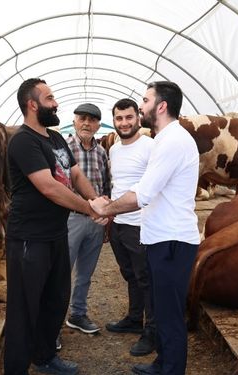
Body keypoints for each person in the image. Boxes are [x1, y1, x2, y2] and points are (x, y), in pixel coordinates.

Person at [90, 81, 200, 375]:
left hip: (173, 240)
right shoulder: (166, 139)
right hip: (161, 237)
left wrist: (107, 209)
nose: (141, 106)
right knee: (163, 309)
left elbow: (143, 193)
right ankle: (162, 363)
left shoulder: (172, 141)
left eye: (146, 100)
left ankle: (171, 369)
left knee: (171, 313)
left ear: (161, 106)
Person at [4, 78, 107, 375]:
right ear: (32, 104)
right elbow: (48, 187)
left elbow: (74, 175)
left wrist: (97, 199)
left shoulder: (56, 139)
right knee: (24, 309)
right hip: (29, 239)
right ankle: (16, 368)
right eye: (50, 98)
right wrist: (90, 209)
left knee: (55, 299)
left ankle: (45, 357)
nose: (56, 103)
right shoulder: (23, 141)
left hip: (55, 235)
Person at [104, 98, 156, 357]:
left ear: (138, 118)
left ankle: (152, 332)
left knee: (146, 279)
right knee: (130, 275)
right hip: (119, 224)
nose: (124, 123)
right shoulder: (114, 148)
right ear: (113, 121)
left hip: (141, 225)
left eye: (128, 117)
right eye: (119, 118)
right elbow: (118, 184)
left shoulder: (151, 147)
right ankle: (135, 319)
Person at [64, 103, 111, 335]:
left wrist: (106, 217)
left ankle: (78, 314)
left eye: (92, 120)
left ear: (98, 125)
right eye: (82, 118)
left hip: (95, 221)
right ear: (74, 121)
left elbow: (104, 185)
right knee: (62, 272)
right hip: (70, 218)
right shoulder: (63, 148)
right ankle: (52, 325)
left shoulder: (101, 152)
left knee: (85, 273)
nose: (86, 123)